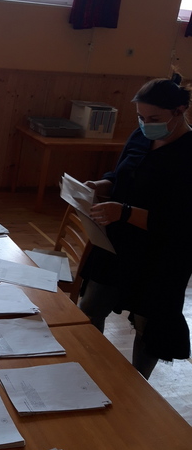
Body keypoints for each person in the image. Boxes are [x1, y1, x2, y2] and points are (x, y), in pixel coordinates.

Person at [78, 72, 192, 380]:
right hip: (118, 243)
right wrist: (100, 185)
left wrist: (125, 212)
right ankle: (88, 371)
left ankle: (137, 385)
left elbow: (180, 222)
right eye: (140, 117)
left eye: (153, 118)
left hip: (162, 256)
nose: (145, 124)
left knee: (148, 324)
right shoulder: (141, 136)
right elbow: (122, 176)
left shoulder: (188, 153)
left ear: (179, 111)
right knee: (90, 307)